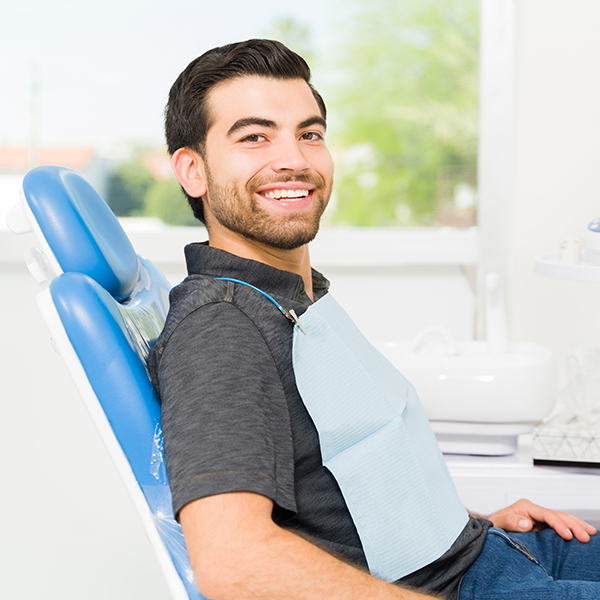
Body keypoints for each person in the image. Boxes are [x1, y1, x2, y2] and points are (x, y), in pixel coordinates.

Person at [148, 39, 599, 600]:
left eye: (309, 134)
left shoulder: (290, 297)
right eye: (254, 137)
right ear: (192, 170)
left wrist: (467, 525)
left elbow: (345, 485)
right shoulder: (220, 327)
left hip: (491, 549)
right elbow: (234, 562)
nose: (294, 159)